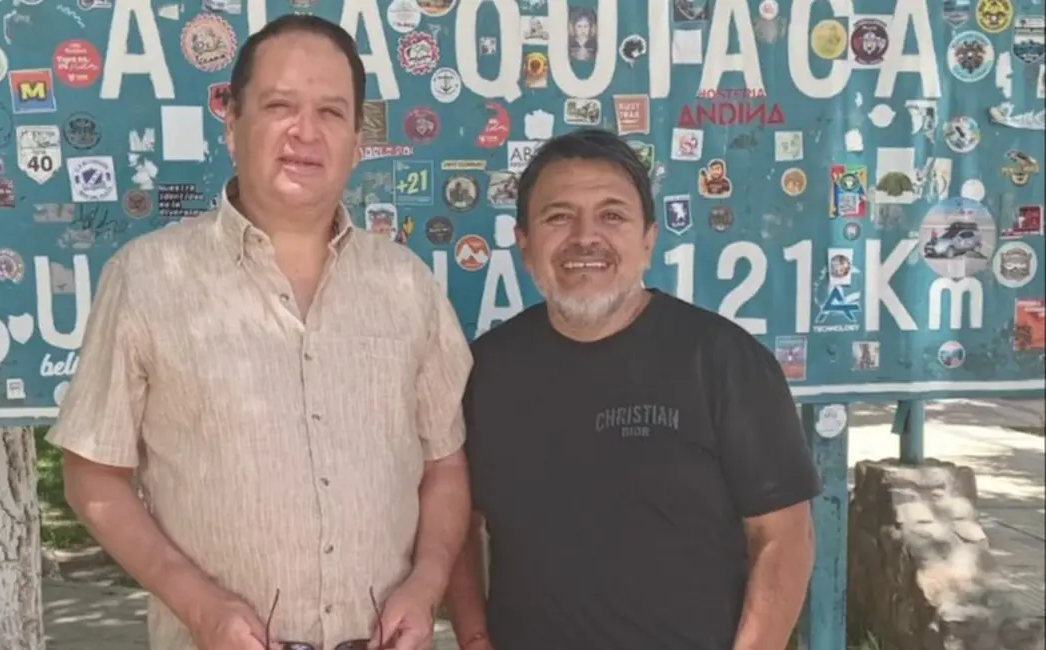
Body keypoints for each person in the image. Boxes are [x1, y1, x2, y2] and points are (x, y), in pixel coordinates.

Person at [47, 14, 473, 650]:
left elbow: (445, 465)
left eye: (331, 112)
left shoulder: (408, 284)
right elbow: (93, 476)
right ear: (231, 123)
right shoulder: (147, 278)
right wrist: (199, 607)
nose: (306, 131)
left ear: (357, 141)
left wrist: (426, 583)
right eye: (279, 106)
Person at [442, 128, 821, 650]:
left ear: (648, 240)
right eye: (558, 217)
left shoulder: (723, 361)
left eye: (612, 216)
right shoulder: (484, 370)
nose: (585, 238)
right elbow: (455, 523)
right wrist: (474, 637)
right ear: (523, 243)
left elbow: (784, 537)